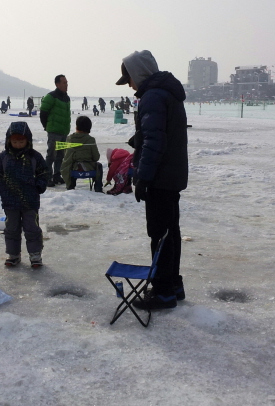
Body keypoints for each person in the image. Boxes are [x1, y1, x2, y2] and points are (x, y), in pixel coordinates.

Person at [116, 50, 188, 310]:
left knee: (160, 234)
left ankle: (163, 292)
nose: (130, 85)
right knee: (170, 232)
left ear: (138, 74)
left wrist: (143, 177)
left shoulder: (153, 96)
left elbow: (156, 141)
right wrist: (141, 137)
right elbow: (161, 132)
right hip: (171, 174)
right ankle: (173, 284)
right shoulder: (166, 93)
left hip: (160, 176)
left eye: (129, 79)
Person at [0, 121, 48, 268]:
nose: (18, 144)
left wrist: (39, 186)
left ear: (27, 140)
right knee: (11, 229)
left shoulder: (34, 157)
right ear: (9, 141)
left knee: (32, 228)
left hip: (30, 201)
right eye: (15, 142)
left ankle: (35, 255)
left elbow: (44, 172)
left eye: (21, 142)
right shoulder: (4, 157)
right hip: (10, 201)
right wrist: (2, 190)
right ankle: (13, 254)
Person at [40, 75, 71, 187]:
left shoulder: (66, 98)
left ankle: (57, 175)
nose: (66, 84)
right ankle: (47, 177)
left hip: (63, 131)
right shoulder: (51, 97)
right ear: (57, 84)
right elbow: (43, 113)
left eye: (67, 82)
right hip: (54, 131)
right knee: (51, 155)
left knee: (60, 156)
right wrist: (47, 126)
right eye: (64, 83)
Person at [60, 115, 103, 192]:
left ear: (77, 126)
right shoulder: (91, 140)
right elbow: (96, 157)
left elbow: (66, 154)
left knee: (70, 165)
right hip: (88, 168)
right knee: (99, 166)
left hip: (73, 168)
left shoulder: (69, 138)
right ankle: (98, 187)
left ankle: (70, 186)